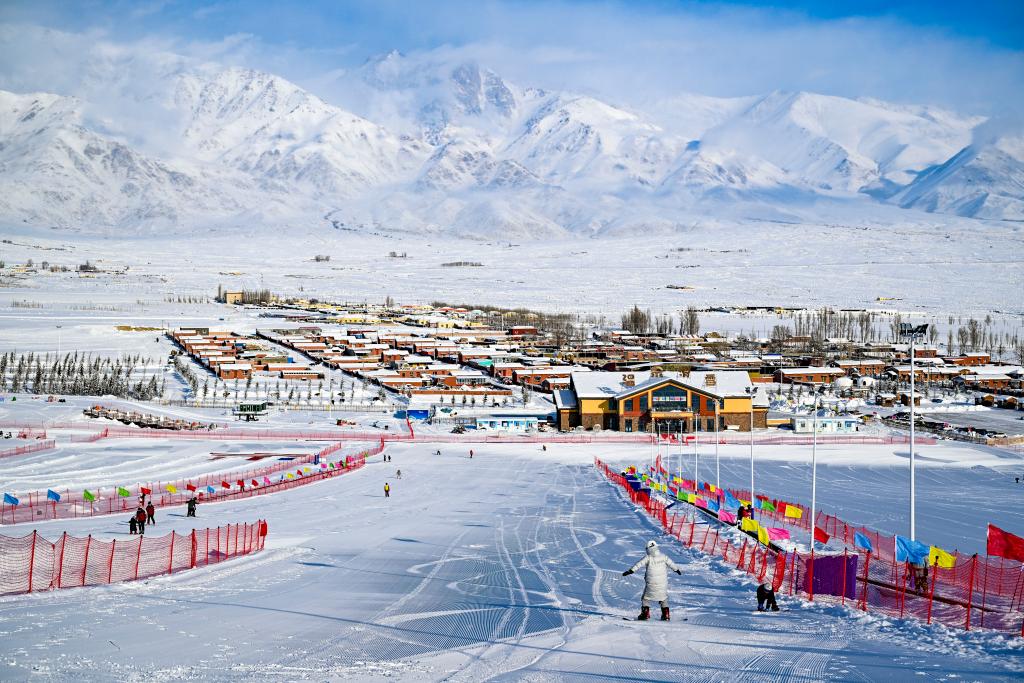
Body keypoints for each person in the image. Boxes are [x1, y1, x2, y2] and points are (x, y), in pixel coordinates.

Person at [622, 540, 682, 621]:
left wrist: (630, 571)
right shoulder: (664, 556)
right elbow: (671, 564)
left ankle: (645, 614)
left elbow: (639, 564)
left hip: (651, 583)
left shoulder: (648, 558)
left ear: (648, 549)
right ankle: (666, 615)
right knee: (663, 597)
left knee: (645, 598)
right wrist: (676, 570)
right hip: (663, 583)